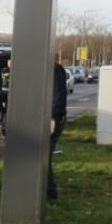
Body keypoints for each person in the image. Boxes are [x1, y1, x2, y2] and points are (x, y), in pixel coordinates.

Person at [49, 62, 68, 200]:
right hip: (52, 118)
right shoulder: (52, 69)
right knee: (44, 157)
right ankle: (49, 190)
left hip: (53, 119)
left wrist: (53, 118)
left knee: (44, 156)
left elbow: (58, 97)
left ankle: (50, 192)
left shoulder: (54, 70)